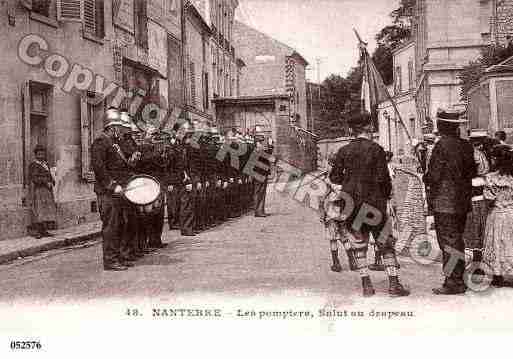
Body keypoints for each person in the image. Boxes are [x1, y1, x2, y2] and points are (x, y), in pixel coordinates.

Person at [329, 112, 409, 297]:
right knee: (385, 243)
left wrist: (348, 182)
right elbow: (384, 179)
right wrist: (387, 197)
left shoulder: (343, 151)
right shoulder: (377, 150)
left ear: (352, 130)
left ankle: (366, 285)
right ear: (368, 128)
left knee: (358, 242)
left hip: (351, 204)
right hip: (375, 204)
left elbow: (334, 177)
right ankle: (394, 285)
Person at [423, 109, 476, 294]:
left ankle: (454, 282)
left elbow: (434, 176)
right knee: (457, 240)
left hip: (444, 202)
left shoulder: (441, 146)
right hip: (462, 201)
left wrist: (425, 177)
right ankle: (457, 278)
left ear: (440, 126)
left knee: (448, 242)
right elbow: (472, 173)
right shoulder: (466, 146)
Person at [91, 107, 136, 271]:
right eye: (118, 126)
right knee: (111, 226)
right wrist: (112, 185)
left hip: (119, 191)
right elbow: (99, 168)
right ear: (111, 127)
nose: (120, 129)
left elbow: (120, 168)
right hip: (107, 192)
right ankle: (110, 260)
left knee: (120, 224)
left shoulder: (115, 144)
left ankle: (119, 256)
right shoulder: (100, 142)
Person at [482, 145, 513, 287]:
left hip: (496, 214)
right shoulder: (511, 178)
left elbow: (489, 199)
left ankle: (497, 275)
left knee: (496, 242)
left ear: (495, 159)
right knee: (509, 242)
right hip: (511, 214)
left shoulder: (490, 178)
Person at [463, 131, 491, 265]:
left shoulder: (476, 153)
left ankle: (475, 260)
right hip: (477, 192)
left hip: (475, 193)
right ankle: (476, 259)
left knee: (474, 229)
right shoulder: (478, 154)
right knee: (478, 229)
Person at [28, 144, 57, 239]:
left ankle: (44, 230)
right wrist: (45, 182)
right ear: (35, 155)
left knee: (46, 210)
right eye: (39, 154)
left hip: (47, 190)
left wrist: (52, 181)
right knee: (40, 210)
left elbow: (50, 175)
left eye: (42, 154)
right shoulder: (33, 165)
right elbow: (35, 178)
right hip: (39, 190)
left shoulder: (46, 164)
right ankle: (37, 231)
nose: (41, 156)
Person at [253, 136, 273, 218]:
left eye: (261, 142)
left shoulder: (259, 150)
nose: (261, 144)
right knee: (259, 192)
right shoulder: (257, 150)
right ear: (256, 143)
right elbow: (267, 154)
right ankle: (258, 211)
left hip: (262, 173)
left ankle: (260, 210)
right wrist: (270, 145)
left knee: (262, 192)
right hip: (259, 173)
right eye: (260, 142)